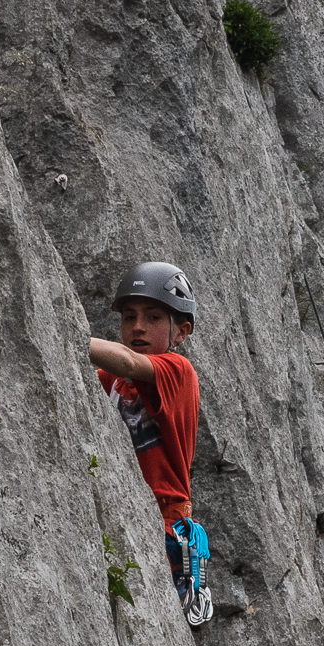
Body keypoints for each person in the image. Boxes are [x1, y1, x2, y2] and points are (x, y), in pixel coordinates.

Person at [88, 262, 213, 625]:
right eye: (129, 317)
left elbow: (127, 361)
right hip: (127, 507)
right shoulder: (110, 379)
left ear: (181, 332)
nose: (138, 327)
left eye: (154, 317)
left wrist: (67, 330)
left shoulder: (178, 372)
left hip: (164, 520)